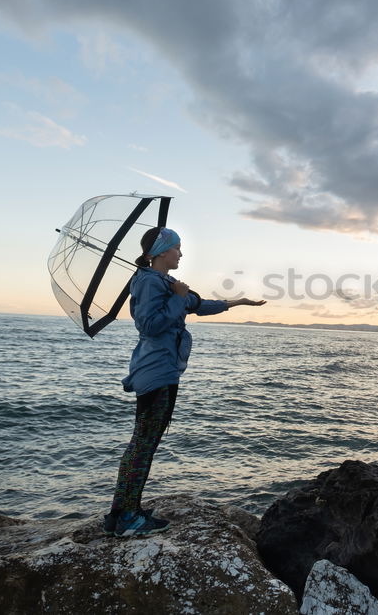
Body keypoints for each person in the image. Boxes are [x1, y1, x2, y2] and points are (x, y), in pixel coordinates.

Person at [106, 226, 265, 537]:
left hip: (162, 369)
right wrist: (178, 298)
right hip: (155, 370)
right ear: (163, 252)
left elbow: (197, 305)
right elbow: (150, 325)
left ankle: (124, 512)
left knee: (145, 443)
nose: (181, 254)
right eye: (177, 248)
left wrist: (236, 302)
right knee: (142, 445)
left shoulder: (162, 281)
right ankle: (126, 518)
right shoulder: (150, 282)